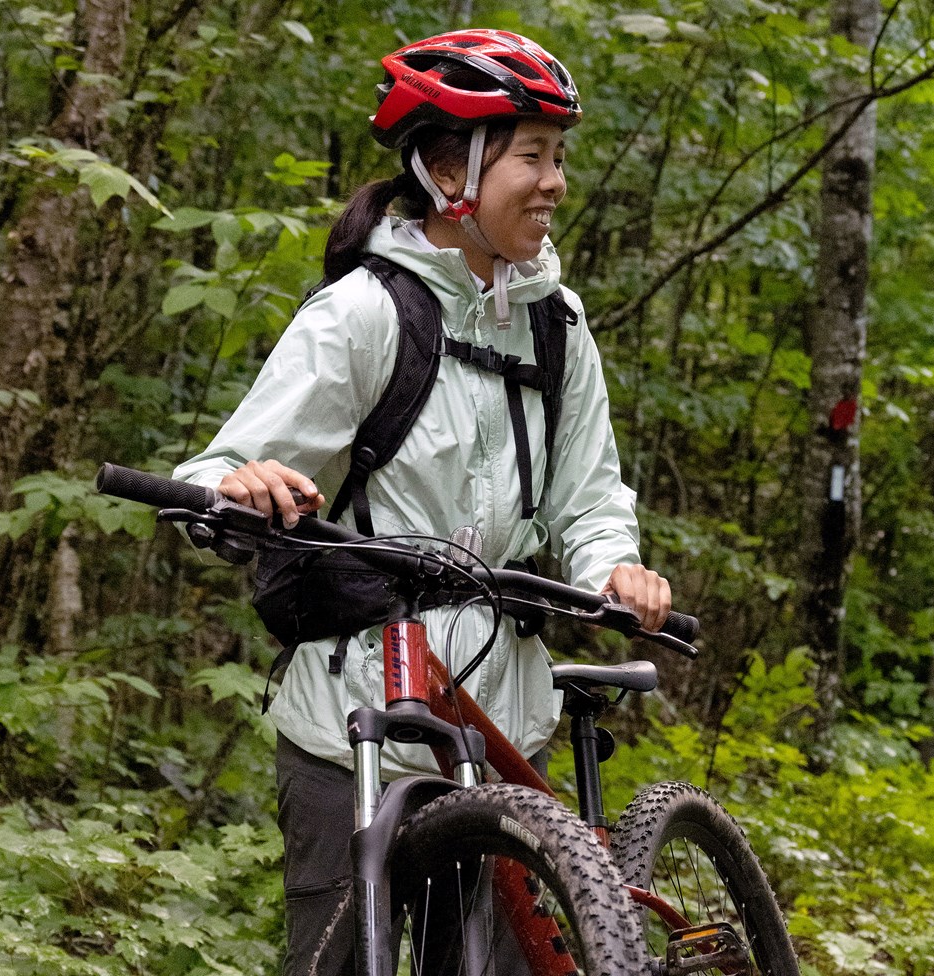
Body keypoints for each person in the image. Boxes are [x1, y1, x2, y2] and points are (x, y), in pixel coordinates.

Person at [173, 27, 671, 974]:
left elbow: (590, 495)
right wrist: (235, 486)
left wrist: (614, 565)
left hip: (498, 723)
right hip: (350, 721)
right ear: (451, 170)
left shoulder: (558, 330)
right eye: (533, 156)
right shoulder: (363, 314)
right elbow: (225, 467)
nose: (557, 181)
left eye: (559, 156)